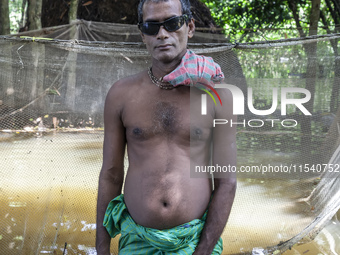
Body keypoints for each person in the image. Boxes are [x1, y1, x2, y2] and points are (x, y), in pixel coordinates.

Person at [96, 0, 237, 254]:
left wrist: (204, 249)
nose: (162, 34)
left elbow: (226, 182)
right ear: (143, 35)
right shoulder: (121, 94)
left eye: (172, 23)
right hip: (137, 241)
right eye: (151, 27)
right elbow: (111, 174)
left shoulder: (218, 96)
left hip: (194, 240)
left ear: (190, 27)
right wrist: (102, 248)